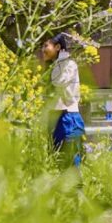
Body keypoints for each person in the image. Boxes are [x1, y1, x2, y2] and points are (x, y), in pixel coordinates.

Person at [42, 33, 84, 168]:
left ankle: (75, 188)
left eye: (45, 45)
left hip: (68, 116)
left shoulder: (69, 64)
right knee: (55, 159)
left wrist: (60, 60)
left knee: (71, 161)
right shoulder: (52, 65)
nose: (42, 50)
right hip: (54, 116)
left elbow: (59, 81)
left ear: (58, 47)